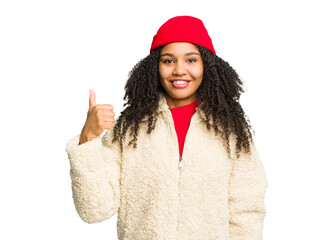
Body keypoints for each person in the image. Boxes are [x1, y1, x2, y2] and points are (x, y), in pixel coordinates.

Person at [65, 15, 268, 240]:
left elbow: (246, 212)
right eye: (168, 60)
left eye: (191, 60)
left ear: (207, 65)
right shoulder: (129, 128)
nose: (179, 70)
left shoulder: (230, 130)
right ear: (154, 67)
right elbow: (94, 209)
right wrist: (88, 137)